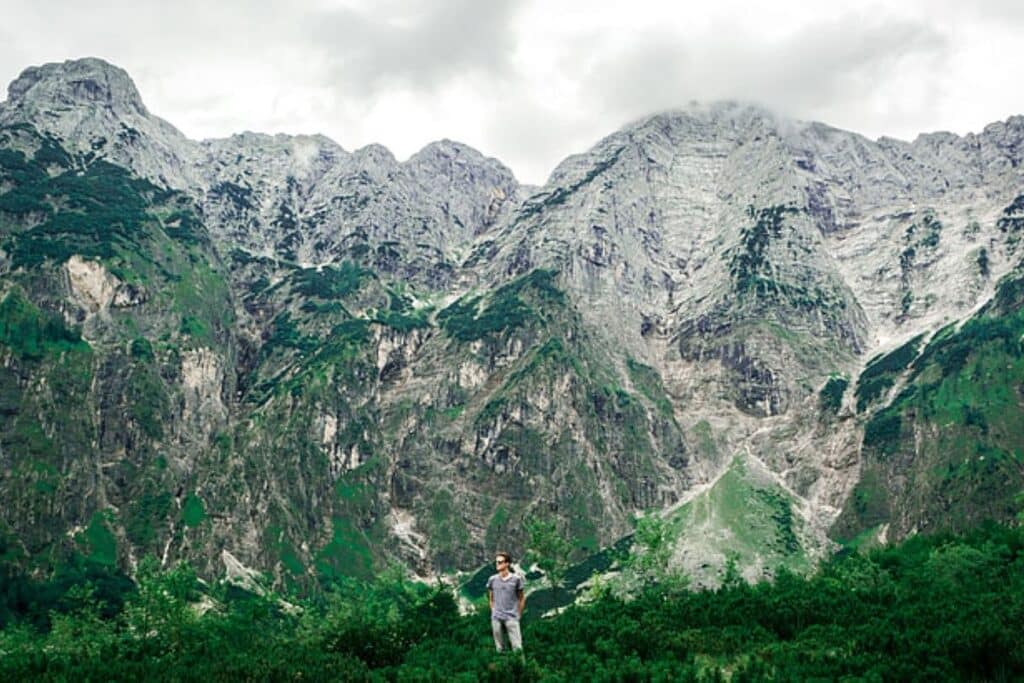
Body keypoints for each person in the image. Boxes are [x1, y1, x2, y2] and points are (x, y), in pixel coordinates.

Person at [486, 551, 525, 652]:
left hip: (511, 617)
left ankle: (520, 666)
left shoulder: (516, 579)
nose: (497, 564)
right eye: (496, 562)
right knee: (499, 648)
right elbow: (491, 598)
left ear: (507, 563)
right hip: (496, 618)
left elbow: (521, 598)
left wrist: (518, 615)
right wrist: (493, 612)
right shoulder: (492, 579)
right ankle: (502, 666)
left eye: (500, 562)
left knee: (517, 647)